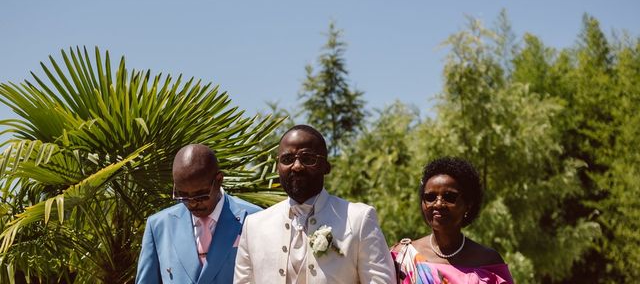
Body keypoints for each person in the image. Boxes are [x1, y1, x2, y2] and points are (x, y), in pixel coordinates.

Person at [234, 124, 395, 284]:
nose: (297, 166)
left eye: (308, 159)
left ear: (326, 166)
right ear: (278, 167)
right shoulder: (254, 226)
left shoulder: (359, 220)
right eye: (287, 159)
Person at [136, 143, 261, 284]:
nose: (192, 203)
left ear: (219, 180)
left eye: (201, 195)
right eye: (182, 195)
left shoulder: (256, 219)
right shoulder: (158, 226)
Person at [391, 157, 514, 284]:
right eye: (430, 197)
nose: (438, 204)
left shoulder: (488, 262)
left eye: (449, 197)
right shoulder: (403, 256)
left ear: (468, 204)